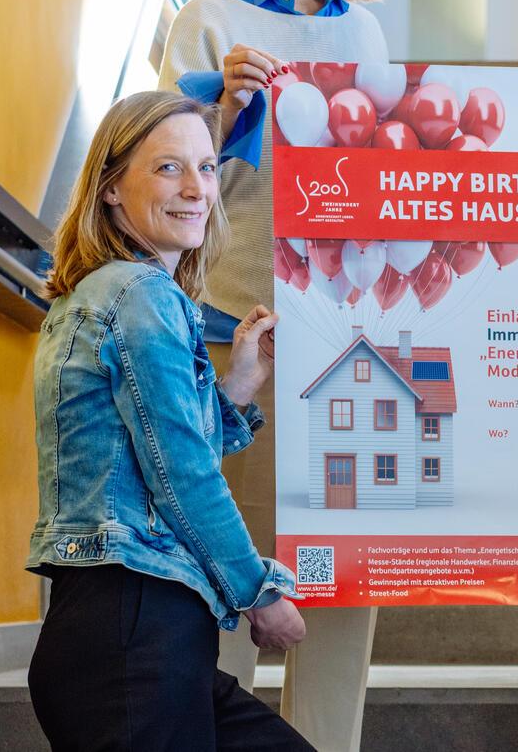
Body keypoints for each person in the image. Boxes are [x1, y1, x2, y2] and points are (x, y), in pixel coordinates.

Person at [157, 0, 388, 752]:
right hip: (231, 333)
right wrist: (221, 112)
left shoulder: (368, 38)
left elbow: (391, 194)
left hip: (347, 341)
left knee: (343, 587)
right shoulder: (208, 23)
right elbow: (156, 177)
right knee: (226, 567)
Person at [26, 91, 313, 751]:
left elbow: (151, 451)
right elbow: (180, 474)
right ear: (110, 189)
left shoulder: (101, 294)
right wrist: (257, 591)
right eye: (168, 168)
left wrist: (239, 380)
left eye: (208, 168)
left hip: (130, 634)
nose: (196, 188)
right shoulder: (139, 293)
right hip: (132, 632)